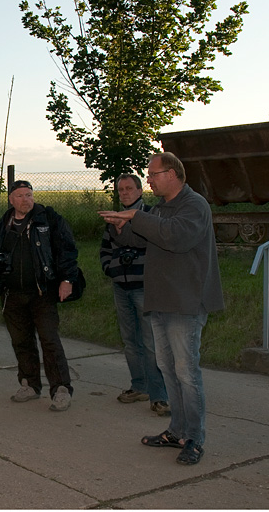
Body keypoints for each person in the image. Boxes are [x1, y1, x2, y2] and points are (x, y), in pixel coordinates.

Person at [99, 152, 224, 466]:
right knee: (169, 370)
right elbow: (140, 238)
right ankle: (176, 430)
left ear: (172, 173)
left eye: (153, 174)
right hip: (161, 300)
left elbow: (175, 237)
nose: (149, 179)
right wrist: (119, 225)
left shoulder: (194, 205)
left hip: (186, 302)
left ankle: (194, 438)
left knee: (186, 372)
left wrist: (136, 218)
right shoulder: (161, 208)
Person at [0, 180, 79, 412]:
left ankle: (61, 389)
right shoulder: (2, 225)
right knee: (21, 342)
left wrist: (67, 280)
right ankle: (29, 385)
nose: (25, 199)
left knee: (49, 340)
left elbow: (67, 250)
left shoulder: (48, 219)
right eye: (20, 196)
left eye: (29, 195)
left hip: (42, 292)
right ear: (11, 199)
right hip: (12, 294)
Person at [99, 174, 170, 416]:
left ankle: (160, 395)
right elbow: (105, 248)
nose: (125, 193)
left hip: (144, 286)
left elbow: (151, 244)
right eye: (121, 190)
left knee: (151, 344)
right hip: (121, 286)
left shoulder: (152, 215)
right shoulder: (112, 219)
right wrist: (110, 268)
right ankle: (139, 386)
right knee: (130, 342)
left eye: (129, 188)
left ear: (140, 190)